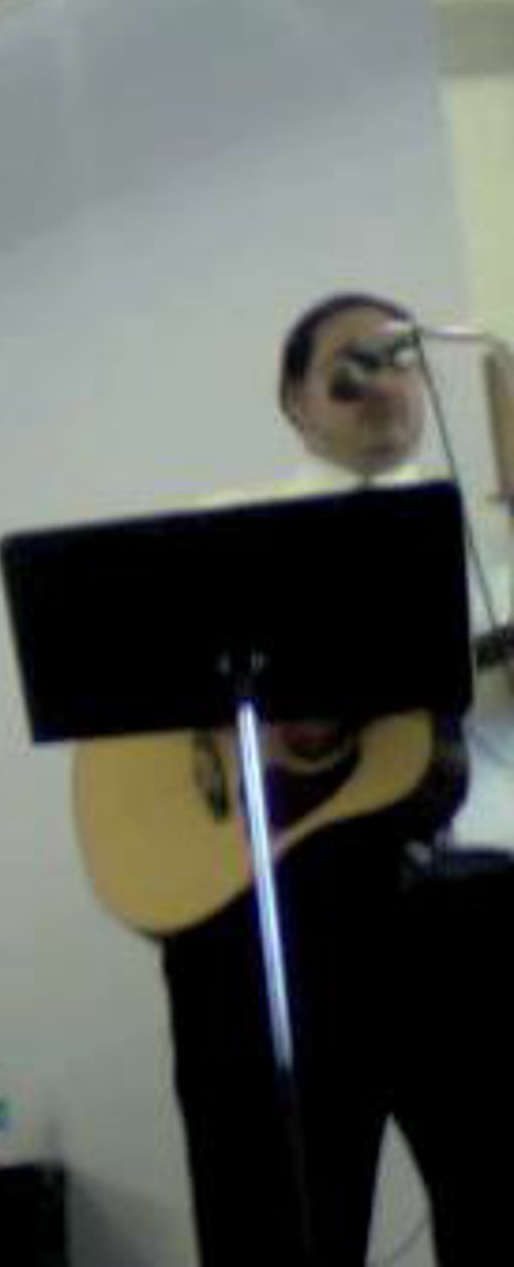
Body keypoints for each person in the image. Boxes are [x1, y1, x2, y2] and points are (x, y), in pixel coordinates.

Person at [157, 293, 514, 1266]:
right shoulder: (226, 534)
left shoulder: (494, 558)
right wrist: (271, 715)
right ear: (296, 401)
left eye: (402, 359)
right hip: (281, 908)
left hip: (474, 917)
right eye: (352, 364)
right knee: (275, 1222)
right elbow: (138, 699)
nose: (384, 382)